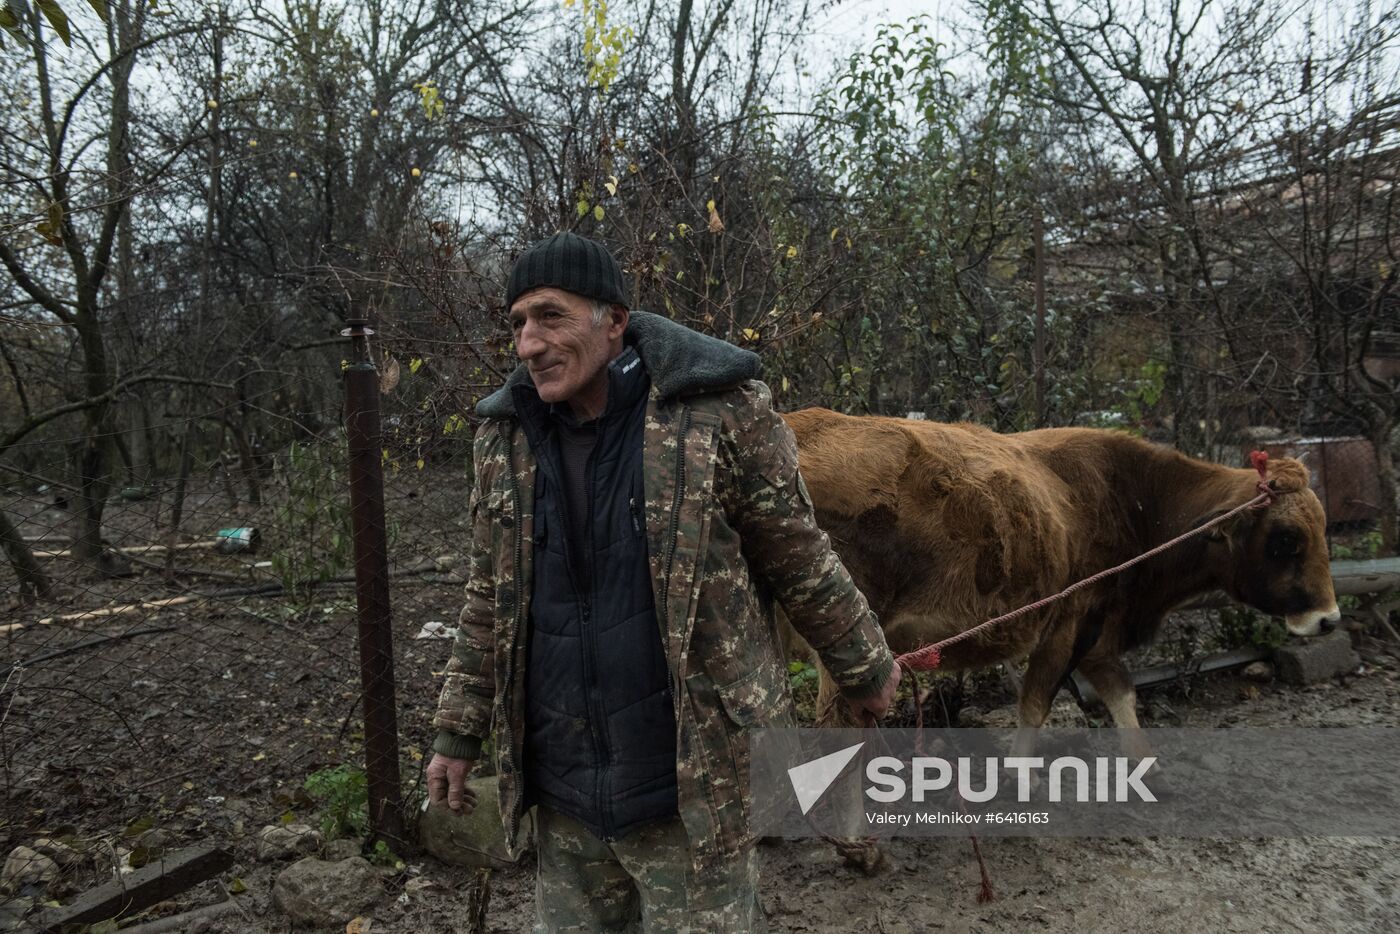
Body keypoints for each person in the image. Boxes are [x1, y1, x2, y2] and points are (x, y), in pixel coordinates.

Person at [427, 232, 899, 931]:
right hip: (565, 795)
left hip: (691, 788)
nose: (528, 344)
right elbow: (487, 599)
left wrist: (864, 667)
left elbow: (796, 554)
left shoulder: (717, 410)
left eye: (550, 316)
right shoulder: (505, 438)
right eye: (518, 323)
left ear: (612, 320)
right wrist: (457, 733)